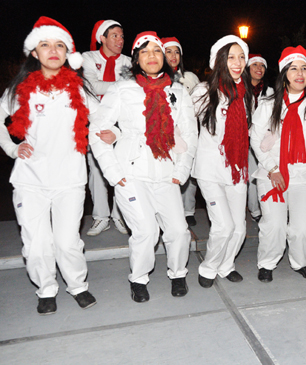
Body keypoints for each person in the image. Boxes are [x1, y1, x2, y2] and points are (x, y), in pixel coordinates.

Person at [90, 31, 197, 302]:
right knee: (147, 230)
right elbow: (98, 130)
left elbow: (189, 133)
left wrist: (181, 171)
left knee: (178, 230)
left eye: (157, 51)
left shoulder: (178, 91)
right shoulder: (122, 90)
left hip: (166, 173)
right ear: (136, 58)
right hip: (131, 173)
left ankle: (178, 273)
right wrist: (113, 174)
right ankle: (138, 279)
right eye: (145, 52)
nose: (152, 57)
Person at [0, 16, 97, 314]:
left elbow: (103, 122)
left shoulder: (79, 90)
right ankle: (46, 289)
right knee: (37, 243)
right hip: (30, 180)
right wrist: (12, 148)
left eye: (59, 45)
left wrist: (113, 133)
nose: (53, 50)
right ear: (34, 52)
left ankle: (77, 285)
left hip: (70, 179)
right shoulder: (18, 92)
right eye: (45, 45)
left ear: (68, 53)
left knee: (67, 241)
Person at [250, 46, 306, 282]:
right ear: (284, 73)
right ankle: (267, 263)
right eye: (294, 68)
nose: (300, 73)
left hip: (304, 173)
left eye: (304, 68)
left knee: (303, 227)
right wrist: (272, 169)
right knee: (274, 225)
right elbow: (256, 139)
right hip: (272, 173)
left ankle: (301, 262)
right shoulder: (268, 104)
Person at [191, 35, 253, 288]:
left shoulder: (246, 94)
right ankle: (208, 267)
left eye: (241, 57)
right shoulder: (204, 91)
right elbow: (182, 122)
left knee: (239, 228)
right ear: (219, 61)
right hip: (210, 169)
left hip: (237, 168)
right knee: (224, 225)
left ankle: (227, 265)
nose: (237, 62)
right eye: (231, 57)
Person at [82, 19, 131, 236]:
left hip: (121, 121)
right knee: (96, 169)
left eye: (122, 36)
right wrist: (123, 85)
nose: (120, 40)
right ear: (102, 38)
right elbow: (90, 86)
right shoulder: (88, 57)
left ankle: (120, 215)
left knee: (122, 167)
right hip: (95, 119)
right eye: (115, 35)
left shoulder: (129, 61)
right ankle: (100, 216)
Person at [162, 36, 201, 226]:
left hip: (186, 129)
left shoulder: (191, 78)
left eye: (176, 51)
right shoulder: (158, 77)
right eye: (168, 51)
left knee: (188, 169)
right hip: (165, 133)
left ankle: (188, 210)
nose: (173, 55)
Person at [247, 54, 274, 222]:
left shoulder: (270, 90)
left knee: (264, 172)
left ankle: (264, 207)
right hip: (243, 138)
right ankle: (254, 209)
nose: (259, 69)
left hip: (263, 139)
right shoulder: (240, 88)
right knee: (250, 175)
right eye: (254, 65)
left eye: (262, 66)